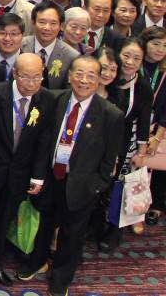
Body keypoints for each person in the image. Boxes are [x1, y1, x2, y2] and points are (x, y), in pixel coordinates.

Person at [18, 55, 125, 296]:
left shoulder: (110, 114)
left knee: (72, 234)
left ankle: (61, 277)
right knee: (44, 224)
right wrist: (38, 176)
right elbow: (44, 141)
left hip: (81, 185)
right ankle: (37, 262)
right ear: (69, 75)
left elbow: (110, 159)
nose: (83, 80)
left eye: (91, 76)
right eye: (79, 73)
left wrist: (96, 186)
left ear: (98, 80)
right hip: (51, 177)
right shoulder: (55, 99)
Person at [0, 52, 56, 287]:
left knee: (4, 221)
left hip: (19, 174)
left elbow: (43, 141)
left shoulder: (46, 99)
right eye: (26, 77)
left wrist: (38, 176)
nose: (32, 83)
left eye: (37, 77)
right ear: (15, 74)